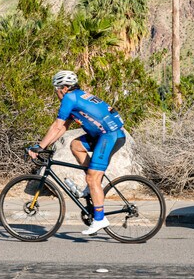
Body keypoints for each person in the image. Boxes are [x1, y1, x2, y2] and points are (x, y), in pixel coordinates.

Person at [28, 70, 126, 235]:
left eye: (57, 89)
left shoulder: (69, 98)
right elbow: (63, 127)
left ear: (64, 88)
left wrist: (39, 147)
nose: (56, 93)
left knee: (92, 177)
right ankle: (92, 187)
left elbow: (57, 126)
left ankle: (100, 219)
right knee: (75, 145)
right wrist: (44, 145)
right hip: (107, 133)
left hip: (110, 136)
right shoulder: (78, 96)